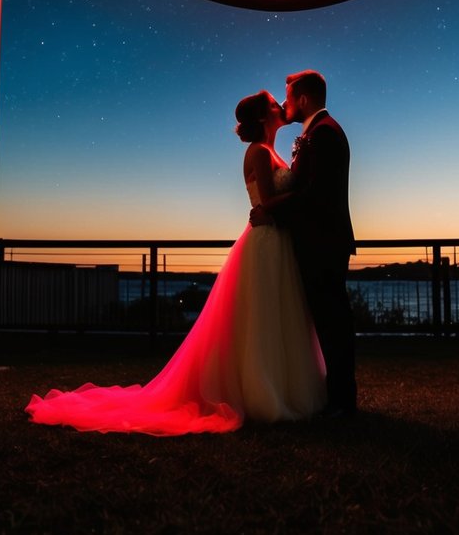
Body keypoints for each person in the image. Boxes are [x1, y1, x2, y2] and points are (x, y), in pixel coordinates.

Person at [25, 90, 326, 435]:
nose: (280, 107)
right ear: (263, 116)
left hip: (278, 241)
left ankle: (281, 386)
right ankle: (262, 393)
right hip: (265, 242)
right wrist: (304, 195)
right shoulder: (258, 151)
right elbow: (269, 199)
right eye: (275, 104)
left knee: (278, 315)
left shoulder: (271, 150)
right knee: (260, 317)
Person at [250, 69, 357, 417]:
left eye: (289, 97)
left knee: (332, 321)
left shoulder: (323, 134)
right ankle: (337, 397)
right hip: (317, 240)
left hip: (323, 241)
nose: (284, 104)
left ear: (304, 100)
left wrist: (272, 212)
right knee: (327, 321)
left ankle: (342, 401)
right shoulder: (317, 132)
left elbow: (314, 195)